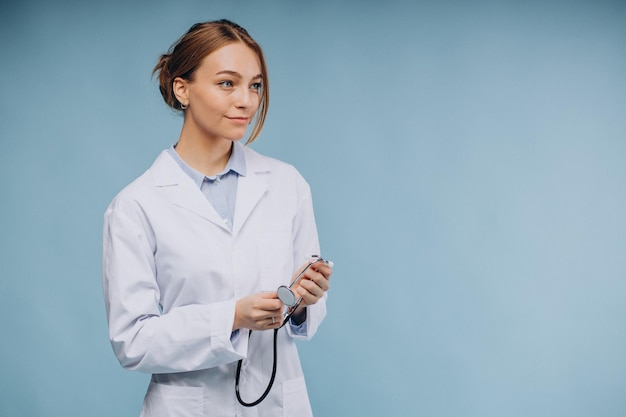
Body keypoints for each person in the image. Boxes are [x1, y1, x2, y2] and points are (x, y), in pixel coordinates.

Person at [102, 19, 332, 417]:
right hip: (189, 405)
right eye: (227, 83)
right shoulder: (136, 205)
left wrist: (301, 301)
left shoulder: (286, 184)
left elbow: (303, 308)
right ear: (182, 89)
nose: (246, 100)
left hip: (279, 403)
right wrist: (231, 316)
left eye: (255, 85)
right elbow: (132, 341)